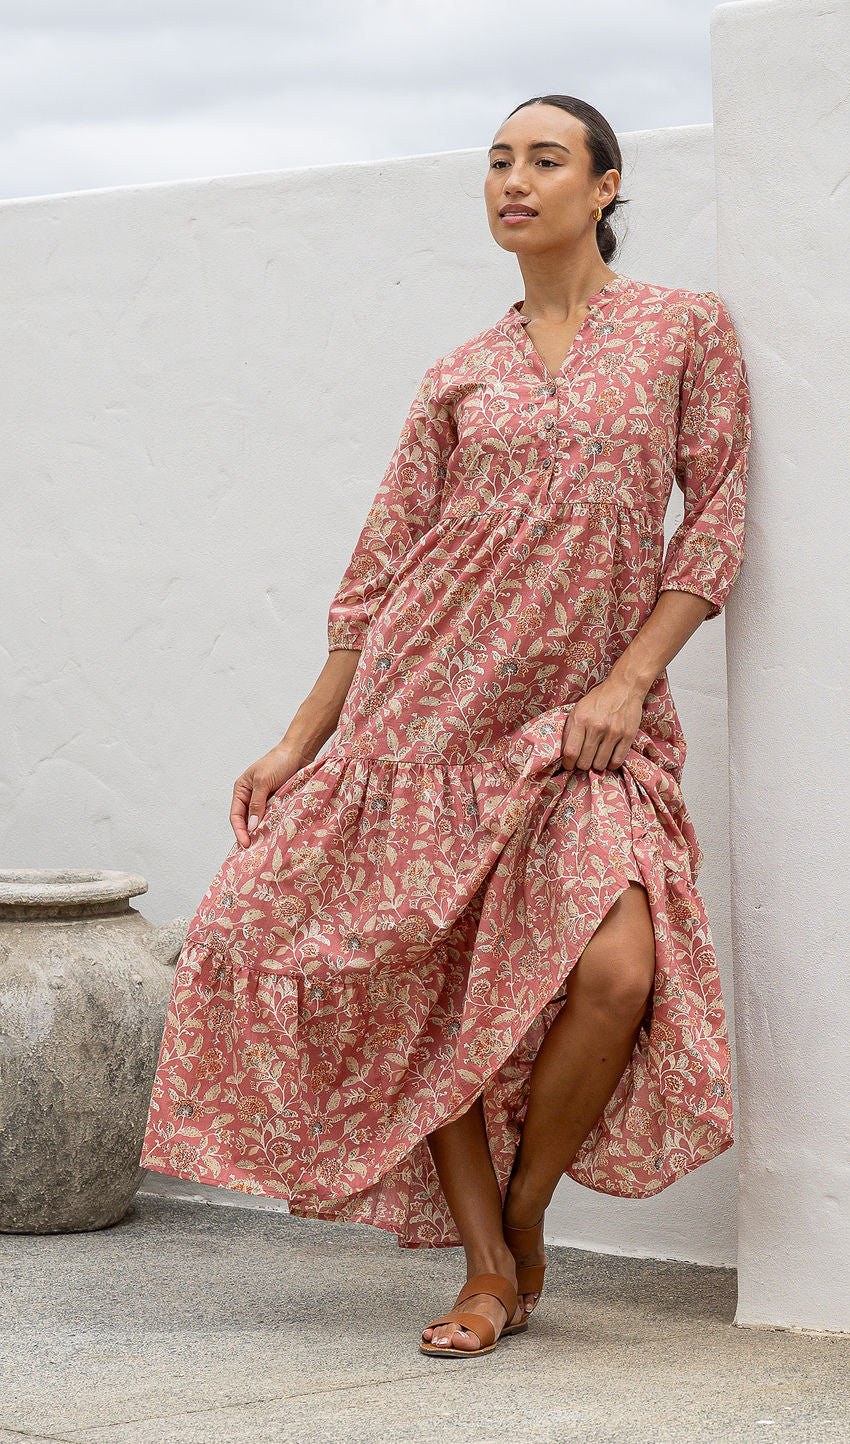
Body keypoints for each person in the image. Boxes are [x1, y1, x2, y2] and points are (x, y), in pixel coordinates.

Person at [140, 92, 750, 1361]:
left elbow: (715, 523)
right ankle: (484, 1269)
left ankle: (524, 1216)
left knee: (615, 972)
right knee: (431, 990)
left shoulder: (682, 332)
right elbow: (380, 567)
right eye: (495, 163)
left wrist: (630, 679)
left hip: (585, 725)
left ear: (608, 187)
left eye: (544, 161)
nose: (512, 182)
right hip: (425, 721)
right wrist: (305, 737)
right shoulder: (459, 373)